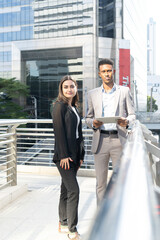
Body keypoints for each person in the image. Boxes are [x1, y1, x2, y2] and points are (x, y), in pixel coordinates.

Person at [85, 58, 135, 204]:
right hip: (100, 141)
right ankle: (101, 217)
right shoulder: (92, 94)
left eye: (109, 71)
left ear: (113, 72)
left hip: (119, 140)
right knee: (101, 183)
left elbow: (132, 114)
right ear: (99, 74)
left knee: (120, 181)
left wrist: (127, 121)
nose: (107, 74)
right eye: (104, 71)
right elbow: (87, 118)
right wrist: (92, 123)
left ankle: (118, 215)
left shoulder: (124, 91)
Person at [52, 75, 85, 240]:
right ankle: (72, 230)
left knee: (65, 189)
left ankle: (63, 223)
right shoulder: (59, 106)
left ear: (76, 88)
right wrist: (64, 155)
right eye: (66, 87)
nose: (69, 89)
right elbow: (59, 133)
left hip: (74, 156)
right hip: (63, 157)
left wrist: (81, 155)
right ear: (61, 89)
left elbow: (78, 135)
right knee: (74, 190)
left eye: (72, 86)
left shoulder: (74, 108)